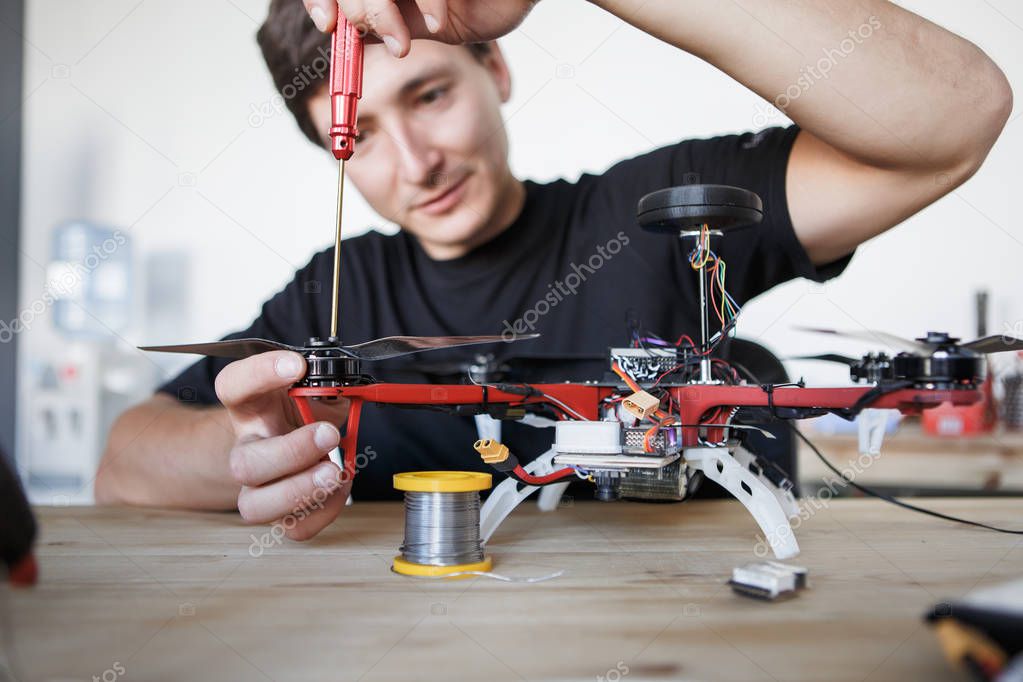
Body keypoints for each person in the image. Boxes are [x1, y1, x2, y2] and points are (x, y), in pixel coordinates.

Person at [95, 0, 1012, 542]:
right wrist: (256, 450)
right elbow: (123, 465)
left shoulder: (657, 212)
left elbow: (950, 120)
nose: (415, 162)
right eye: (361, 136)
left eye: (429, 93)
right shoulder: (336, 292)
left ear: (493, 64)